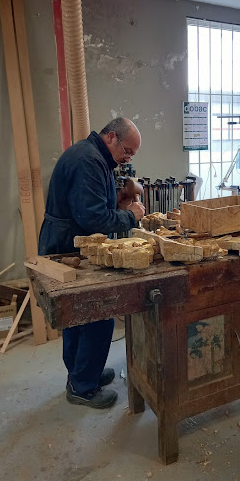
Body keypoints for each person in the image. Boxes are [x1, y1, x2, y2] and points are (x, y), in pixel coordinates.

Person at [39, 117, 145, 409]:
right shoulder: (89, 161)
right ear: (111, 137)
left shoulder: (93, 155)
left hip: (68, 240)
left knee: (78, 316)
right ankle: (83, 386)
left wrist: (118, 201)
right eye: (127, 150)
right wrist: (131, 216)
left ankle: (82, 374)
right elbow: (92, 218)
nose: (128, 158)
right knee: (97, 313)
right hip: (68, 245)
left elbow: (90, 204)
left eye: (132, 154)